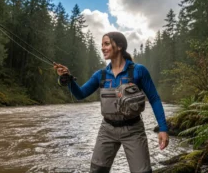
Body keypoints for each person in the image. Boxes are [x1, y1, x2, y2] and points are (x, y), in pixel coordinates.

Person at [54, 32, 169, 173]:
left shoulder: (139, 71)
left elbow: (154, 99)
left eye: (106, 44)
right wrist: (68, 79)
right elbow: (80, 94)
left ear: (119, 46)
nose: (102, 47)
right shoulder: (100, 75)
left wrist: (163, 128)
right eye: (102, 44)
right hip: (107, 130)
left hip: (133, 130)